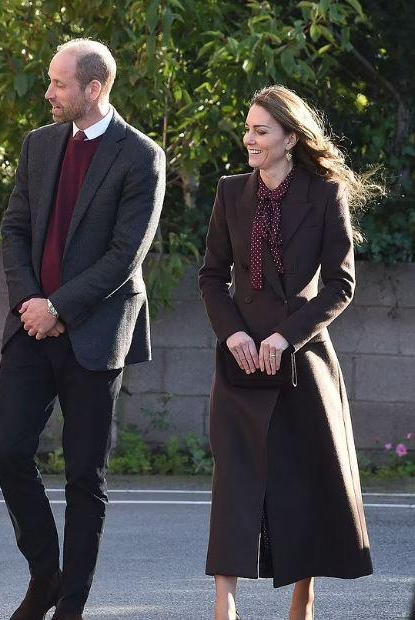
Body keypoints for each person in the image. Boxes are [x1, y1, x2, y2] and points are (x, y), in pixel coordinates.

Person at [0, 39, 165, 620]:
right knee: (8, 447)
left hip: (94, 334)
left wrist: (59, 307)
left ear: (94, 89)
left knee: (84, 475)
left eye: (58, 84)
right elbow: (14, 231)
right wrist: (32, 303)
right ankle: (46, 576)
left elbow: (124, 256)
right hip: (31, 330)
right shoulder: (38, 145)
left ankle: (72, 605)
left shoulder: (141, 156)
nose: (48, 93)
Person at [199, 85, 379, 620]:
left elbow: (340, 286)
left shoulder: (324, 194)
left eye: (261, 131)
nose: (249, 139)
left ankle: (303, 598)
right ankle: (223, 607)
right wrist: (234, 335)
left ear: (290, 138)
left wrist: (285, 338)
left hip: (302, 359)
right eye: (248, 129)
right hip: (240, 359)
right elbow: (211, 276)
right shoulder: (231, 192)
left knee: (301, 480)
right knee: (233, 481)